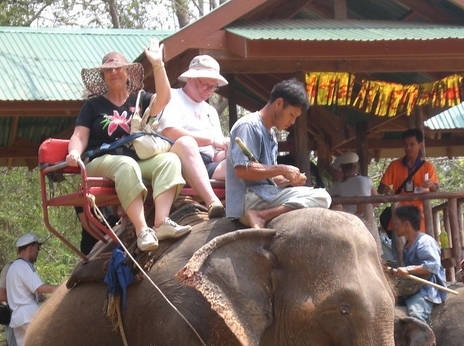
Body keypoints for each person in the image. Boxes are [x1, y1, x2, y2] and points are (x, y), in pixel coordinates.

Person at [65, 42, 191, 252]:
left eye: (119, 67)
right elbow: (79, 135)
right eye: (108, 70)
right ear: (103, 76)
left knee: (170, 160)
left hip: (137, 159)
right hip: (101, 162)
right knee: (125, 165)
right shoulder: (93, 106)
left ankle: (161, 222)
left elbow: (164, 99)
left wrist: (158, 64)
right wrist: (74, 153)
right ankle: (143, 231)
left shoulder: (140, 99)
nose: (114, 72)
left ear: (127, 72)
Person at [226, 79, 331, 228]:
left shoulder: (272, 136)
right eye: (292, 115)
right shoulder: (248, 125)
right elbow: (242, 170)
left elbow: (270, 177)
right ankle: (261, 215)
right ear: (279, 104)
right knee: (322, 197)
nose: (293, 122)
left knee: (317, 194)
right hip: (248, 199)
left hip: (264, 194)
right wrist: (283, 169)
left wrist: (289, 180)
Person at [158, 54, 227, 218]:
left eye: (213, 87)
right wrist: (211, 140)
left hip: (208, 164)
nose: (209, 90)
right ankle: (213, 202)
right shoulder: (171, 97)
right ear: (190, 79)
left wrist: (229, 149)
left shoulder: (210, 111)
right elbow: (168, 131)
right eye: (205, 85)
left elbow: (216, 154)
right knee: (187, 143)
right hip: (178, 161)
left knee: (239, 163)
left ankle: (247, 208)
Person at [6, 233, 57, 346]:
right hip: (28, 316)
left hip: (18, 318)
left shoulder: (12, 268)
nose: (38, 252)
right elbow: (40, 287)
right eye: (37, 248)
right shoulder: (23, 266)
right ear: (30, 248)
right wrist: (61, 289)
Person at [391, 204, 446, 326]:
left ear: (406, 224)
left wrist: (408, 269)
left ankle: (423, 343)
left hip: (426, 290)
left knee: (416, 316)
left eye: (396, 222)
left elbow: (433, 266)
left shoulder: (424, 242)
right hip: (412, 288)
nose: (394, 226)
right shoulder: (407, 245)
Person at [377, 128, 439, 232]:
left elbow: (435, 188)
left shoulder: (428, 166)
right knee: (399, 248)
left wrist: (431, 185)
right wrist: (386, 189)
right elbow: (380, 189)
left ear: (420, 145)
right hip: (399, 218)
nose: (408, 147)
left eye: (412, 144)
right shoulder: (394, 166)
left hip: (419, 219)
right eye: (405, 144)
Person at [329, 151, 376, 219]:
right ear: (356, 167)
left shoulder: (335, 186)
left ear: (342, 168)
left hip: (349, 220)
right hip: (367, 218)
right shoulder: (367, 180)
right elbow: (377, 203)